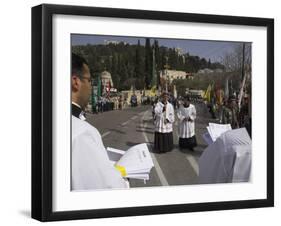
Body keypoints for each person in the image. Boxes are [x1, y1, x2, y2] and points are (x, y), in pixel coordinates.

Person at [71, 53, 128, 190]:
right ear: (76, 82)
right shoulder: (82, 133)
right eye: (89, 80)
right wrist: (123, 176)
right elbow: (109, 189)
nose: (91, 86)